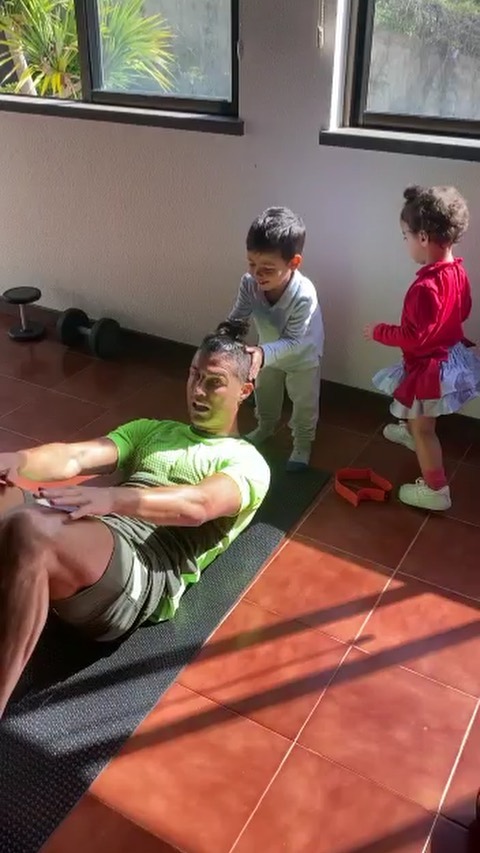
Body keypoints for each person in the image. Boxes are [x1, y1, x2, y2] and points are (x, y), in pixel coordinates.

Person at [0, 322, 270, 717]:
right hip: (98, 536)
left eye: (214, 383)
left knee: (30, 530)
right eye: (194, 376)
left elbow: (198, 505)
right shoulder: (152, 431)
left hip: (142, 571)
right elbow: (76, 456)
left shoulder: (247, 462)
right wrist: (17, 460)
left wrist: (111, 498)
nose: (198, 391)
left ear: (243, 391)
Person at [364, 185, 480, 511]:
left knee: (425, 427)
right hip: (448, 355)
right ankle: (410, 432)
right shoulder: (457, 271)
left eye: (406, 236)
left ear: (424, 238)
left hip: (431, 366)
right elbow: (464, 310)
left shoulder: (424, 287)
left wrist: (379, 331)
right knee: (420, 414)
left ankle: (436, 490)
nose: (406, 243)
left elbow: (415, 337)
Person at [224, 206, 324, 471]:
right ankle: (265, 427)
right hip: (266, 353)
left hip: (302, 357)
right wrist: (223, 339)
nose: (257, 274)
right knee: (265, 393)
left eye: (267, 268)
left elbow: (293, 341)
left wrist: (261, 353)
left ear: (294, 263)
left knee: (304, 403)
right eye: (252, 264)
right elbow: (238, 317)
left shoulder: (304, 295)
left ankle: (302, 443)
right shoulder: (249, 284)